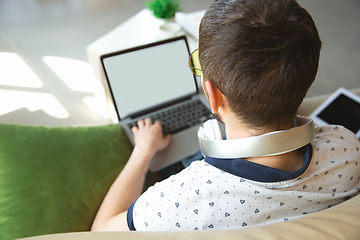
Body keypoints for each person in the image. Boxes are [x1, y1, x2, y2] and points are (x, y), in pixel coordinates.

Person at [91, 0, 360, 231]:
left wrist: (142, 152)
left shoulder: (179, 201)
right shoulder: (348, 150)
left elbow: (101, 231)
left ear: (212, 95)